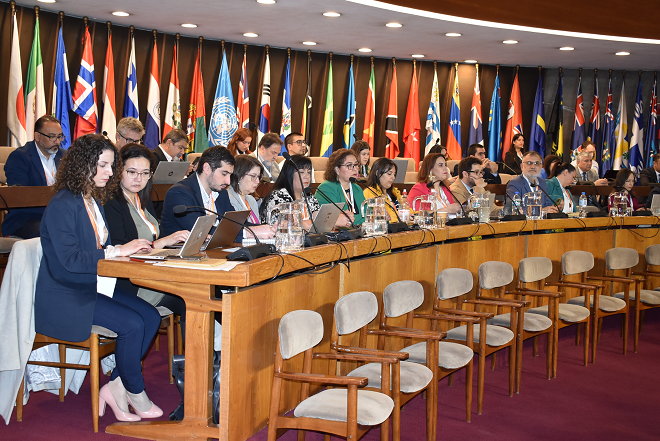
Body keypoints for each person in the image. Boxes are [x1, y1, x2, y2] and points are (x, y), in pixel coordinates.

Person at [34, 134, 162, 422]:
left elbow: (99, 248)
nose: (109, 172)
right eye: (102, 165)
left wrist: (124, 251)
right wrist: (118, 250)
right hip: (66, 294)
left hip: (93, 285)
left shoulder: (92, 198)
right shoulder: (63, 203)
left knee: (150, 316)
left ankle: (116, 386)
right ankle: (135, 390)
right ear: (82, 165)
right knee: (132, 324)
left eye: (111, 166)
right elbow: (71, 260)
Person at [104, 143, 190, 341]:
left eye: (145, 173)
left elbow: (153, 236)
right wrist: (164, 242)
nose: (139, 179)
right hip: (132, 281)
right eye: (132, 172)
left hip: (152, 272)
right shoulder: (111, 202)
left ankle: (205, 357)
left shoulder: (141, 197)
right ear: (118, 171)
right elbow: (123, 248)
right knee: (190, 301)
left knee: (196, 299)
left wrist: (174, 239)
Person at [2, 115, 65, 238]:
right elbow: (19, 195)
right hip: (28, 218)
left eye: (59, 136)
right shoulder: (20, 157)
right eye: (52, 136)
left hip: (60, 214)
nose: (57, 141)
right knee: (51, 232)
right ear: (37, 136)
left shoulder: (65, 156)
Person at [160, 146, 236, 237]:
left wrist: (251, 229)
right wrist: (242, 233)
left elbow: (235, 223)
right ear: (207, 168)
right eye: (224, 174)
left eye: (230, 175)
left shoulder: (221, 193)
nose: (228, 181)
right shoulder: (179, 193)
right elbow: (199, 231)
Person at [259, 155, 325, 232]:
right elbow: (281, 226)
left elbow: (320, 221)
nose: (307, 176)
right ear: (289, 174)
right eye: (301, 172)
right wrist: (304, 224)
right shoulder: (279, 196)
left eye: (309, 172)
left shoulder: (309, 197)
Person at [226, 155, 277, 238]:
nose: (257, 181)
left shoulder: (251, 200)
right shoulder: (228, 198)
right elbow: (234, 231)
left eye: (259, 177)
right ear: (239, 176)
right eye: (253, 176)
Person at [315, 149, 365, 227]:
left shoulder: (357, 188)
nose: (355, 169)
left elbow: (365, 214)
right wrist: (362, 219)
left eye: (356, 164)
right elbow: (334, 220)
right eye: (349, 165)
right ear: (337, 170)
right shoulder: (326, 188)